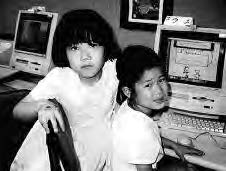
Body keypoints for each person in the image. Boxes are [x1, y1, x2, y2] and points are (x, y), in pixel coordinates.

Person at [11, 9, 121, 171]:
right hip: (61, 155)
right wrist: (42, 105)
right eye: (74, 48)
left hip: (101, 153)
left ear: (105, 46)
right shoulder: (60, 77)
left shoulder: (114, 70)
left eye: (93, 45)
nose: (85, 56)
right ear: (64, 50)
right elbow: (17, 111)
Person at [112, 45, 204, 171]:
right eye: (148, 85)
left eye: (161, 80)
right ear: (128, 91)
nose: (159, 92)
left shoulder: (127, 107)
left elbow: (148, 138)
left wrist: (173, 145)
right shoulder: (141, 131)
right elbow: (144, 138)